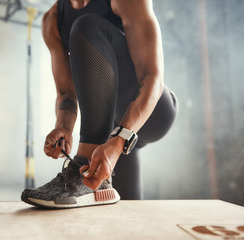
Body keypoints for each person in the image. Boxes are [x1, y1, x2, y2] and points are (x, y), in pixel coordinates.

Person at [21, 0, 178, 208]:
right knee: (126, 213)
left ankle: (83, 164)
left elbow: (152, 78)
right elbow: (66, 94)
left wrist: (121, 138)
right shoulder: (52, 21)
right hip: (109, 128)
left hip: (152, 111)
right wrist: (64, 127)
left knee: (86, 26)